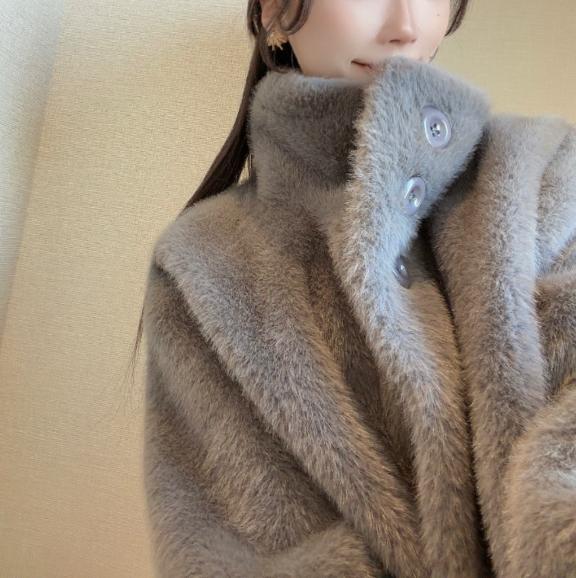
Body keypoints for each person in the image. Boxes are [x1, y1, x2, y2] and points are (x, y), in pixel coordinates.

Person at [134, 1, 576, 576]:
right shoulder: (201, 268)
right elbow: (220, 550)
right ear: (272, 13)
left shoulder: (544, 168)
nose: (406, 25)